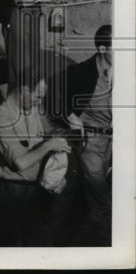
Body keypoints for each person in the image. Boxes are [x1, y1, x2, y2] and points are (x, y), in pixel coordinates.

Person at [0, 67, 77, 246]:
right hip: (13, 193)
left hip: (35, 188)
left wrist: (68, 130)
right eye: (38, 96)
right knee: (4, 246)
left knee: (36, 242)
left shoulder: (30, 107)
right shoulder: (2, 117)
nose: (39, 102)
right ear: (25, 90)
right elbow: (20, 162)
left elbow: (46, 127)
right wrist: (50, 145)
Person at [49, 24, 113, 245]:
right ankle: (110, 248)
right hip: (90, 142)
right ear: (103, 48)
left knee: (80, 191)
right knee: (101, 197)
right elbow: (52, 98)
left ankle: (56, 233)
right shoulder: (82, 72)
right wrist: (69, 116)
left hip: (111, 142)